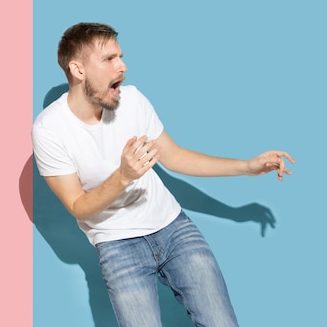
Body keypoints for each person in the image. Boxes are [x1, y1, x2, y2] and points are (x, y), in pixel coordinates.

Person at [31, 22, 294, 327]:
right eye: (109, 59)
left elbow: (175, 157)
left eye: (121, 56)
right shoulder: (49, 130)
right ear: (78, 70)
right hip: (117, 246)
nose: (123, 67)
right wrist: (124, 176)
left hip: (174, 229)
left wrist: (247, 167)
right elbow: (77, 205)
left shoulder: (132, 101)